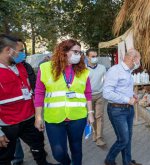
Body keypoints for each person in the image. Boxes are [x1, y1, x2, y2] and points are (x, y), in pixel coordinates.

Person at [34, 39, 95, 165]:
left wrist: (90, 113)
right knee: (58, 153)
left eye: (80, 52)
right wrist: (38, 116)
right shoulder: (45, 68)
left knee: (77, 149)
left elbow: (87, 93)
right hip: (54, 119)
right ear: (64, 51)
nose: (79, 55)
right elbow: (39, 93)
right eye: (76, 52)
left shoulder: (83, 71)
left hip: (78, 117)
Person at [0, 34, 53, 165]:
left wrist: (38, 117)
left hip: (29, 119)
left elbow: (31, 90)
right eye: (21, 51)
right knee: (5, 157)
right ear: (8, 50)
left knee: (38, 147)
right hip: (8, 124)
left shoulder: (21, 66)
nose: (23, 54)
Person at [103, 49, 142, 165]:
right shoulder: (115, 70)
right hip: (117, 110)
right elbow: (107, 93)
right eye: (139, 59)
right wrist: (127, 99)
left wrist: (132, 95)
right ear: (133, 59)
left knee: (128, 138)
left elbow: (123, 89)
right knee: (123, 139)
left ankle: (127, 161)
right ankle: (109, 159)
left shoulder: (128, 71)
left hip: (128, 109)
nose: (140, 62)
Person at [12, 39, 36, 165]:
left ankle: (37, 150)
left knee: (35, 136)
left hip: (29, 109)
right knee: (14, 139)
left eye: (23, 50)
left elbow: (34, 83)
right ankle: (18, 158)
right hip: (11, 115)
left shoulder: (26, 66)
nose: (23, 53)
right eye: (21, 51)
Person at [86, 49, 107, 146]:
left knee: (99, 116)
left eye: (96, 56)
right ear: (87, 57)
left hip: (100, 95)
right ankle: (94, 132)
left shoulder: (102, 68)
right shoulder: (83, 70)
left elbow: (106, 80)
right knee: (92, 117)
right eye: (92, 56)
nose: (95, 58)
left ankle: (99, 138)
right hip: (88, 97)